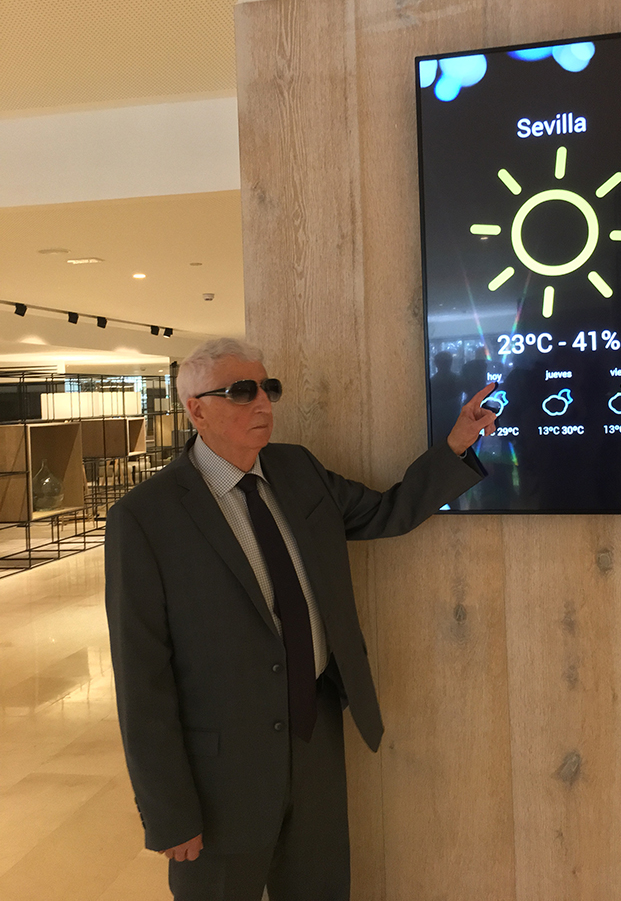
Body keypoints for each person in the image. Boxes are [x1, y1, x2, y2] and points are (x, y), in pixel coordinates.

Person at [105, 337, 495, 901]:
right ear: (197, 410)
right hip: (221, 773)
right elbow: (141, 678)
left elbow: (386, 512)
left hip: (315, 737)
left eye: (269, 388)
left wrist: (455, 446)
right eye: (242, 392)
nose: (263, 403)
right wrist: (169, 811)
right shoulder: (145, 516)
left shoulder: (298, 470)